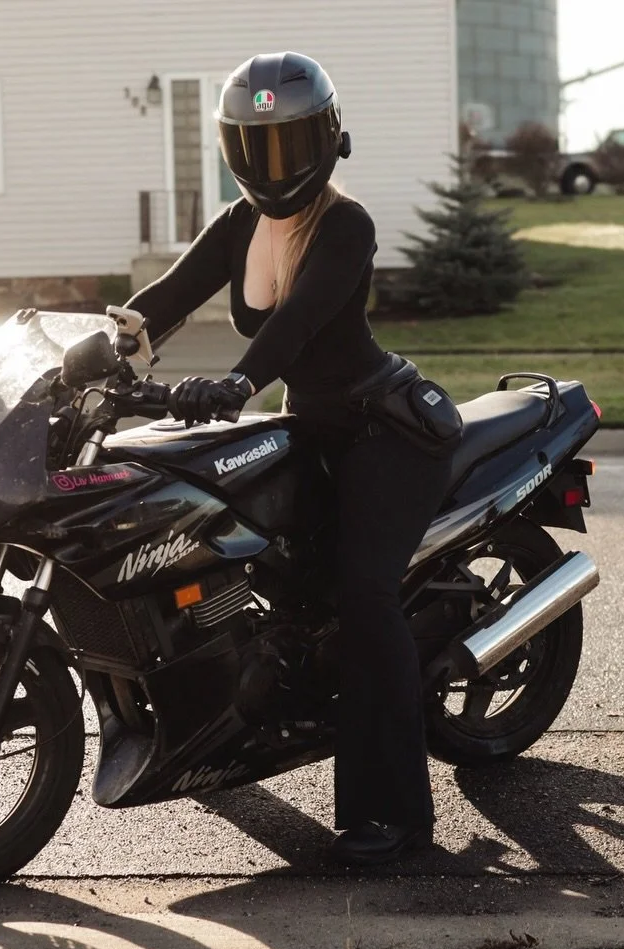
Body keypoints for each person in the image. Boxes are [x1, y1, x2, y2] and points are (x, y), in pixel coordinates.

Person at [122, 51, 453, 866]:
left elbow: (297, 324)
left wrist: (236, 380)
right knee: (251, 569)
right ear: (234, 150)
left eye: (290, 143)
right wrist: (98, 347)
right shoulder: (239, 224)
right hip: (306, 426)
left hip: (381, 432)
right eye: (256, 146)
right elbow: (165, 297)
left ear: (327, 140)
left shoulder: (348, 226)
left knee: (363, 597)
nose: (273, 165)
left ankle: (403, 820)